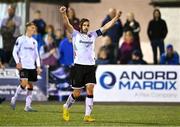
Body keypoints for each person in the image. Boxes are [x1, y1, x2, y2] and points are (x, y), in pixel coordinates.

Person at [59, 6, 121, 122]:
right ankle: (66, 106)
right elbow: (67, 24)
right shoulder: (75, 34)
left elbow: (106, 26)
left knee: (90, 89)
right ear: (81, 26)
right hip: (78, 67)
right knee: (77, 93)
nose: (86, 27)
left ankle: (87, 116)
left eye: (88, 25)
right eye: (84, 25)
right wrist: (64, 14)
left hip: (90, 66)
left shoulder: (93, 35)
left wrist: (116, 18)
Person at [10, 22, 42, 112]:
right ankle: (14, 98)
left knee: (30, 86)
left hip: (32, 67)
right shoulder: (20, 39)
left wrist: (38, 66)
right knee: (24, 83)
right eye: (32, 28)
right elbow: (14, 52)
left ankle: (27, 106)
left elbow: (37, 55)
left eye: (34, 28)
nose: (34, 30)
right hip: (23, 66)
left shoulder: (34, 41)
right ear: (27, 28)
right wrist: (17, 62)